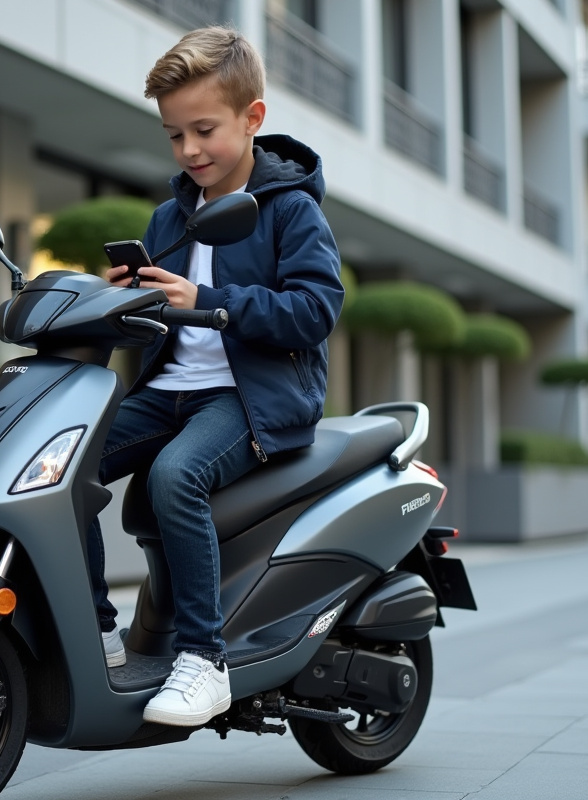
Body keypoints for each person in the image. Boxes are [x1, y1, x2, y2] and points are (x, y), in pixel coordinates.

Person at [86, 25, 344, 728]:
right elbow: (159, 320)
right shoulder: (169, 217)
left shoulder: (290, 209)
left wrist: (206, 301)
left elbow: (315, 311)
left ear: (252, 117)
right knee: (60, 465)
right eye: (175, 135)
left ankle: (205, 660)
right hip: (166, 392)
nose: (189, 150)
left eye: (204, 130)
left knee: (175, 476)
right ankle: (97, 630)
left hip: (249, 398)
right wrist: (121, 301)